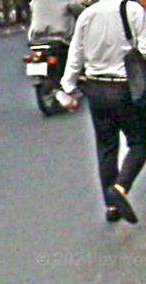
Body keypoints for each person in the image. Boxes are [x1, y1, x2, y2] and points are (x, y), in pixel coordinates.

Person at [59, 0, 146, 224]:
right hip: (125, 89)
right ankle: (120, 188)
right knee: (140, 142)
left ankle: (111, 207)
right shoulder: (132, 10)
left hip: (95, 90)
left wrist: (67, 88)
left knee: (106, 147)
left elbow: (75, 54)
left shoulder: (87, 15)